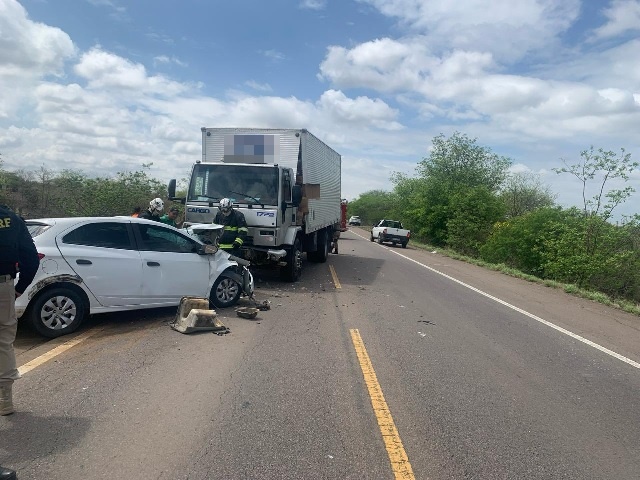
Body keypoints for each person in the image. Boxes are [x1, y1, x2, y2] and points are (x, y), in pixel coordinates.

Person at [1, 205, 40, 479]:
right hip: (3, 286)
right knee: (4, 341)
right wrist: (18, 288)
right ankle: (4, 401)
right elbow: (30, 258)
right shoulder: (11, 219)